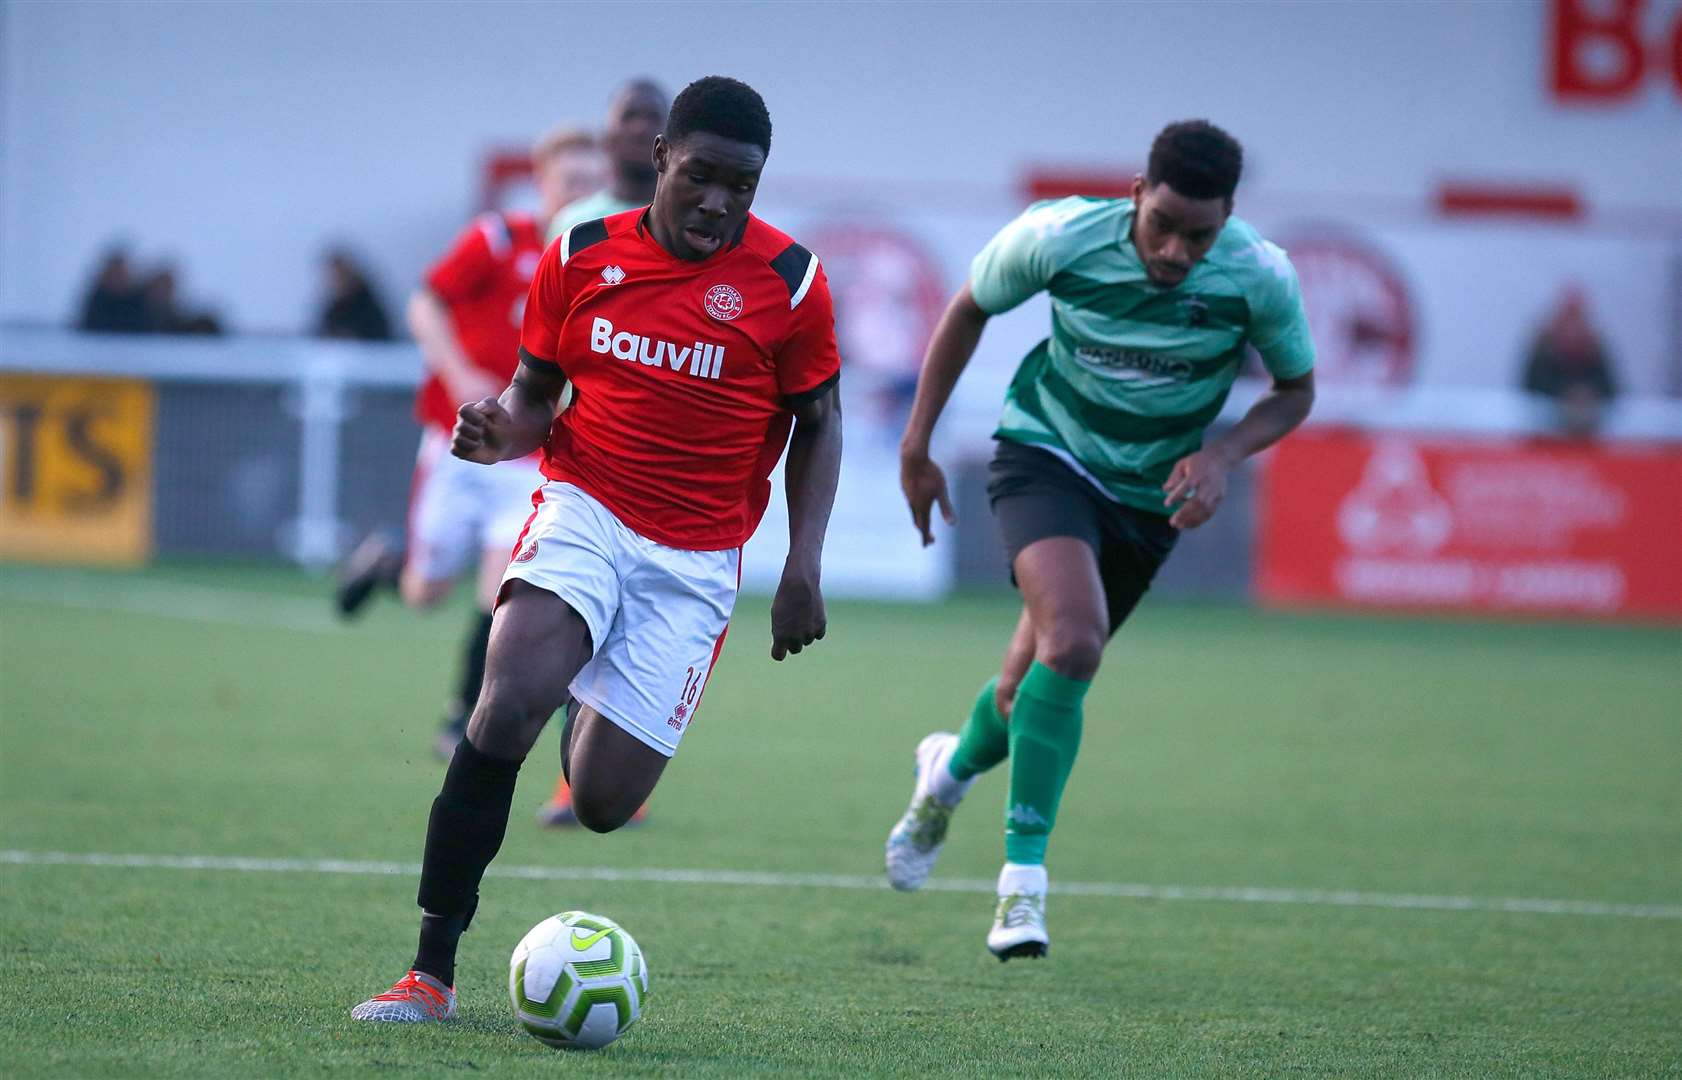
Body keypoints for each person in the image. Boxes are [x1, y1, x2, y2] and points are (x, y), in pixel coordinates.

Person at [351, 75, 843, 1023]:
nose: (717, 202)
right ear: (659, 158)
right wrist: (501, 429)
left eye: (740, 185)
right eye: (700, 175)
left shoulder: (790, 283)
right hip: (584, 505)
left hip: (695, 562)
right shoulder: (579, 251)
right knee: (505, 705)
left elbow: (819, 423)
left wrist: (802, 560)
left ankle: (594, 687)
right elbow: (537, 393)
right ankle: (429, 972)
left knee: (603, 802)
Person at [883, 121, 1315, 961]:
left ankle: (945, 774)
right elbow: (969, 307)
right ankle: (1021, 891)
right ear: (1135, 193)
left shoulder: (1259, 277)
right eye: (1164, 224)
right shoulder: (1059, 237)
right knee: (1075, 642)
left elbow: (1296, 391)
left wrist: (1223, 454)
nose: (1178, 250)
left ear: (1228, 219)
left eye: (1202, 234)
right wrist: (916, 446)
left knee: (1024, 691)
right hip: (1044, 454)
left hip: (1148, 496)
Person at [335, 126, 604, 763]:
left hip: (526, 459)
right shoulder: (498, 239)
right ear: (542, 183)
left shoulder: (599, 261)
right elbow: (425, 303)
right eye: (571, 183)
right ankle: (387, 565)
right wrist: (457, 374)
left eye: (593, 186)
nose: (582, 196)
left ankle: (460, 721)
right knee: (424, 594)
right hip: (458, 445)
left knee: (500, 590)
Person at [534, 78, 670, 827]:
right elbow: (547, 342)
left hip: (657, 476)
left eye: (654, 117)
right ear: (610, 134)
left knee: (630, 633)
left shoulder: (688, 229)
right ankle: (567, 778)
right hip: (580, 461)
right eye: (628, 118)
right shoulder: (576, 226)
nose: (638, 131)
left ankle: (604, 778)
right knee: (564, 623)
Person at [1520, 286, 1617, 438]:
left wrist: (1587, 397)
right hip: (1544, 434)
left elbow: (1611, 389)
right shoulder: (1542, 349)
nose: (1572, 326)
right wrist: (1563, 397)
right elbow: (1528, 388)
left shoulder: (1595, 348)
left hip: (1591, 434)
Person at [316, 248, 394, 340]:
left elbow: (379, 334)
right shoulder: (333, 306)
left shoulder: (367, 303)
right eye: (333, 276)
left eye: (340, 275)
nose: (336, 280)